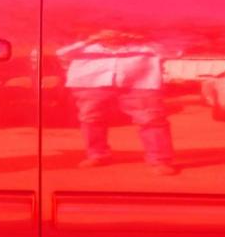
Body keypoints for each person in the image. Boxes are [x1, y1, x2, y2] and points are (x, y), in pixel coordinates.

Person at [57, 30, 178, 175]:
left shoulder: (145, 46)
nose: (113, 35)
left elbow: (174, 53)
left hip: (139, 84)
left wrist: (144, 38)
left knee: (152, 120)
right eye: (108, 32)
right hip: (92, 84)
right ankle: (97, 155)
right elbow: (61, 54)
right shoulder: (86, 47)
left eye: (117, 32)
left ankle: (160, 161)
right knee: (90, 118)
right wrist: (89, 40)